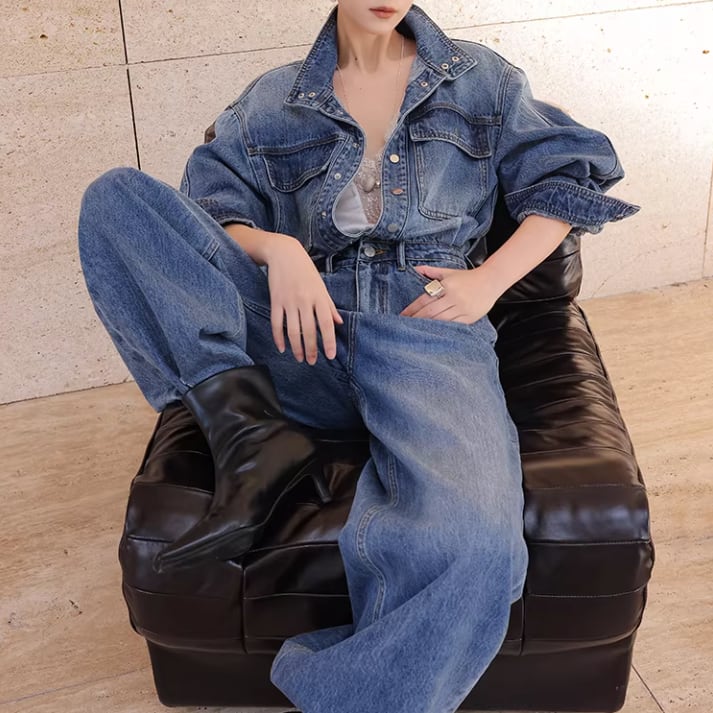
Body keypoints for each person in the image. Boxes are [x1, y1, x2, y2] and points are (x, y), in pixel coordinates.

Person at [78, 2, 639, 712]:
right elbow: (206, 217)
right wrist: (279, 250)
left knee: (474, 547)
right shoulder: (273, 99)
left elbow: (567, 176)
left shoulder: (482, 81)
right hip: (296, 327)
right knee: (117, 199)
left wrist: (487, 281)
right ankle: (252, 436)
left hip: (424, 325)